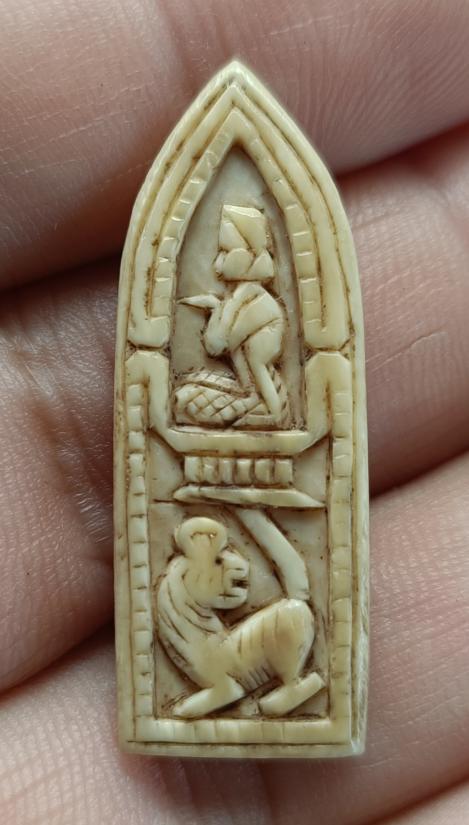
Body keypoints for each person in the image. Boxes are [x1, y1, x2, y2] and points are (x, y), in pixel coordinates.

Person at [0, 2, 468, 823]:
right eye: (217, 253)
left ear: (252, 256)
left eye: (227, 252)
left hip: (265, 409)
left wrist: (211, 318)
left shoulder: (259, 304)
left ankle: (287, 682)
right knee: (188, 396)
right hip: (241, 415)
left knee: (195, 399)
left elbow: (223, 343)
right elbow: (206, 351)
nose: (218, 261)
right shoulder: (245, 299)